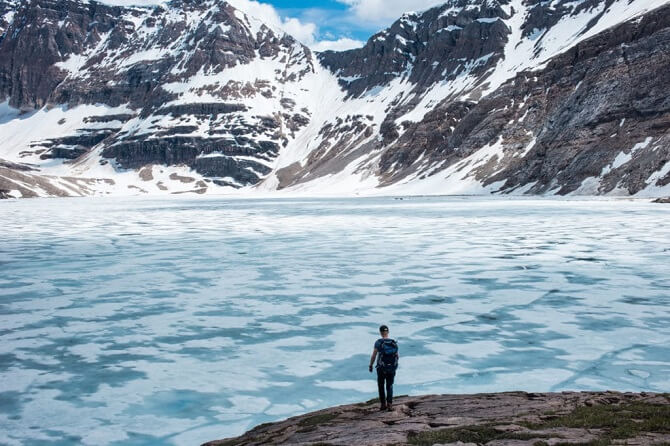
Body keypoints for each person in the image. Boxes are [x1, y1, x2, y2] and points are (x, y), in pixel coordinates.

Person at [368, 324, 399, 411]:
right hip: (391, 368)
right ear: (388, 332)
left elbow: (374, 355)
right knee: (389, 385)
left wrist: (370, 365)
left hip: (381, 368)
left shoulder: (378, 342)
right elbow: (397, 356)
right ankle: (390, 404)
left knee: (381, 385)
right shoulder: (393, 342)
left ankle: (383, 405)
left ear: (380, 332)